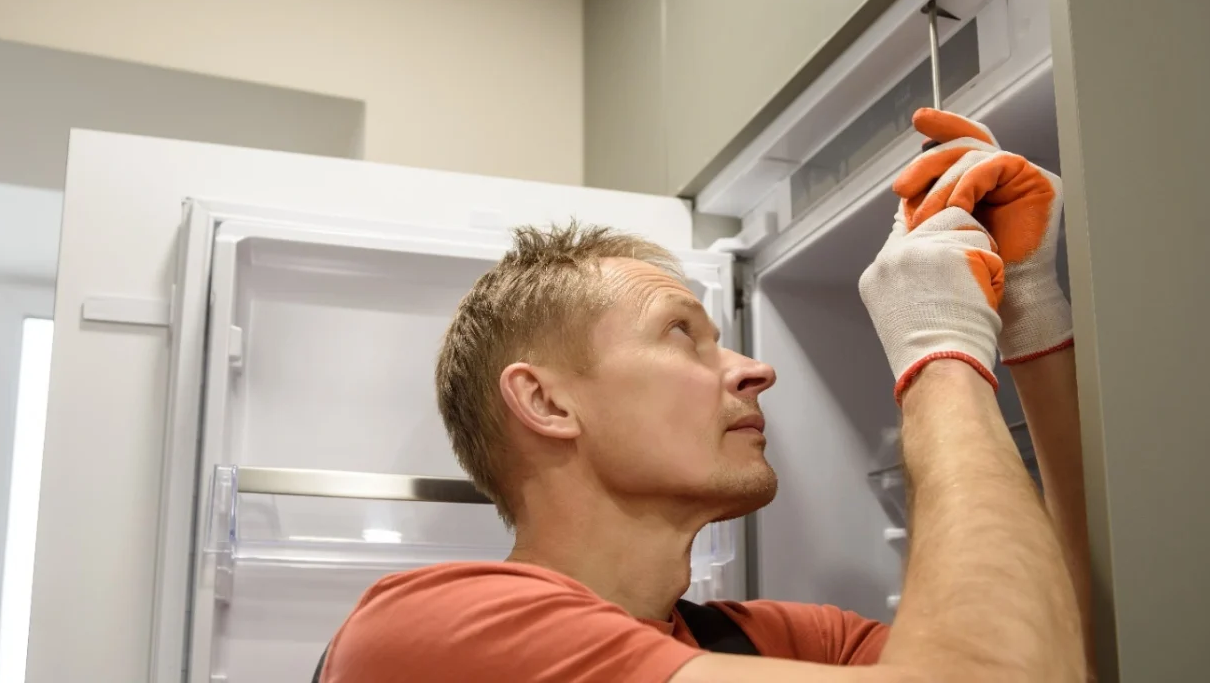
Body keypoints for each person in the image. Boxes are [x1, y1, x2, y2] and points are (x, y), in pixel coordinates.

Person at [318, 109, 1093, 682]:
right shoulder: (440, 630)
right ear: (547, 404)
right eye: (683, 334)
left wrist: (1027, 314)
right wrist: (940, 353)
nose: (754, 369)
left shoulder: (787, 642)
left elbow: (1060, 655)